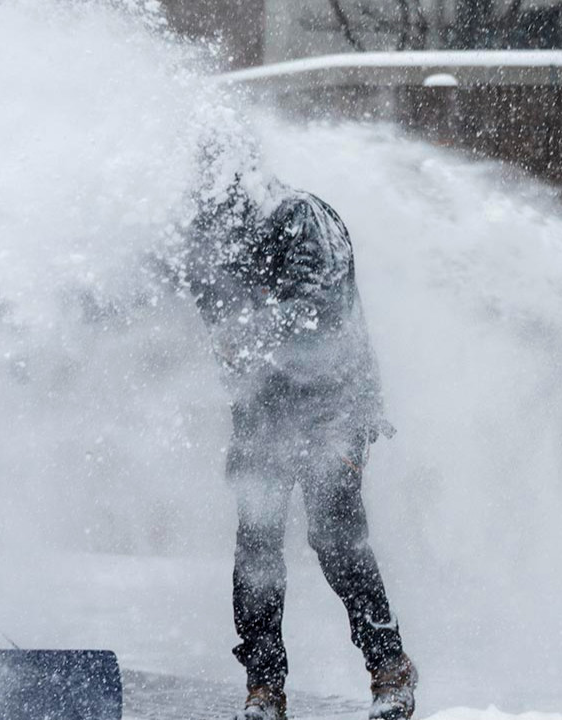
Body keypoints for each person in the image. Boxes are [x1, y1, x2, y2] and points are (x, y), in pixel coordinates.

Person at [184, 172, 417, 720]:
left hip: (334, 402)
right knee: (256, 546)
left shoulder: (300, 216)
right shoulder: (204, 236)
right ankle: (264, 688)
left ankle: (390, 669)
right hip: (262, 411)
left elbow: (319, 307)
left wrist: (247, 331)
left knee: (334, 534)